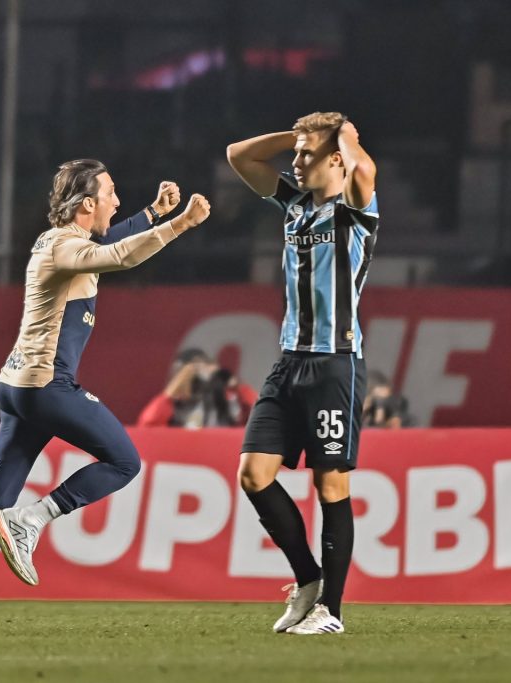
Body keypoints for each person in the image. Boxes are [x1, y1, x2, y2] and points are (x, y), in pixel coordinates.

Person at [0, 159, 211, 629]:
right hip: (46, 386)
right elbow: (118, 256)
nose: (116, 200)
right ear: (86, 204)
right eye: (110, 192)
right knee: (124, 462)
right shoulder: (64, 245)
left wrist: (152, 214)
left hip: (17, 385)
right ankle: (32, 519)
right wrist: (180, 223)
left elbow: (109, 240)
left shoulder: (62, 240)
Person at [226, 112, 378, 635]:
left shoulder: (354, 211)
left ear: (336, 158)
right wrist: (296, 136)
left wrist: (347, 136)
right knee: (253, 474)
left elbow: (366, 173)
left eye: (306, 154)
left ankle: (331, 613)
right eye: (296, 153)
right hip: (288, 361)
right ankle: (308, 581)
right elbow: (238, 155)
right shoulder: (292, 205)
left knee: (331, 485)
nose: (295, 160)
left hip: (336, 362)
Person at [136, 348, 258, 428]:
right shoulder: (173, 403)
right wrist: (170, 394)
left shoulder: (232, 396)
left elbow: (261, 417)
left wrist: (236, 386)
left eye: (205, 366)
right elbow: (147, 428)